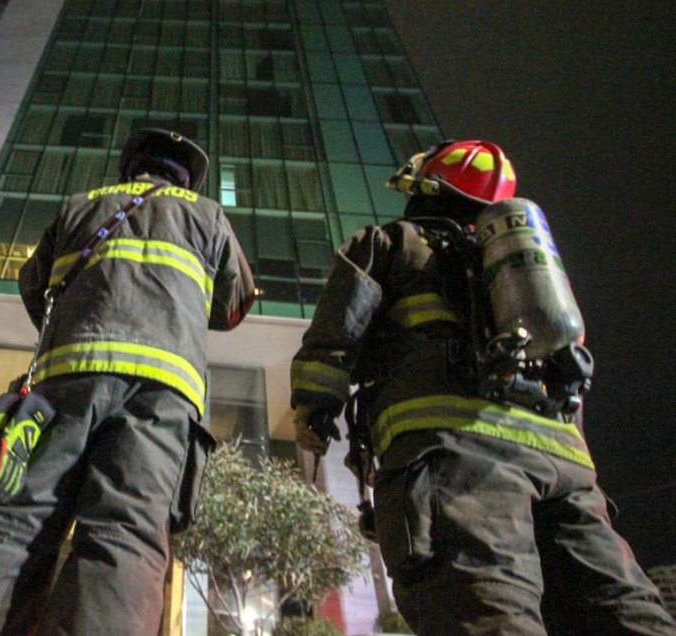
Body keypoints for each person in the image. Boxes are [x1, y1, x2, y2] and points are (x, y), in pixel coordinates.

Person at [289, 139, 676, 635]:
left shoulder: (393, 243)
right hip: (566, 472)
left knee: (489, 613)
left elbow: (333, 334)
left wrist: (314, 407)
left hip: (456, 464)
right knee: (619, 610)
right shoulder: (521, 276)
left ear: (428, 187)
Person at [0, 128, 257, 636]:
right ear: (185, 177)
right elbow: (233, 304)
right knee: (124, 537)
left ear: (132, 167)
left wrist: (82, 325)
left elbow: (34, 287)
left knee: (12, 525)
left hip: (64, 384)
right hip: (160, 395)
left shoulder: (79, 206)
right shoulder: (208, 215)